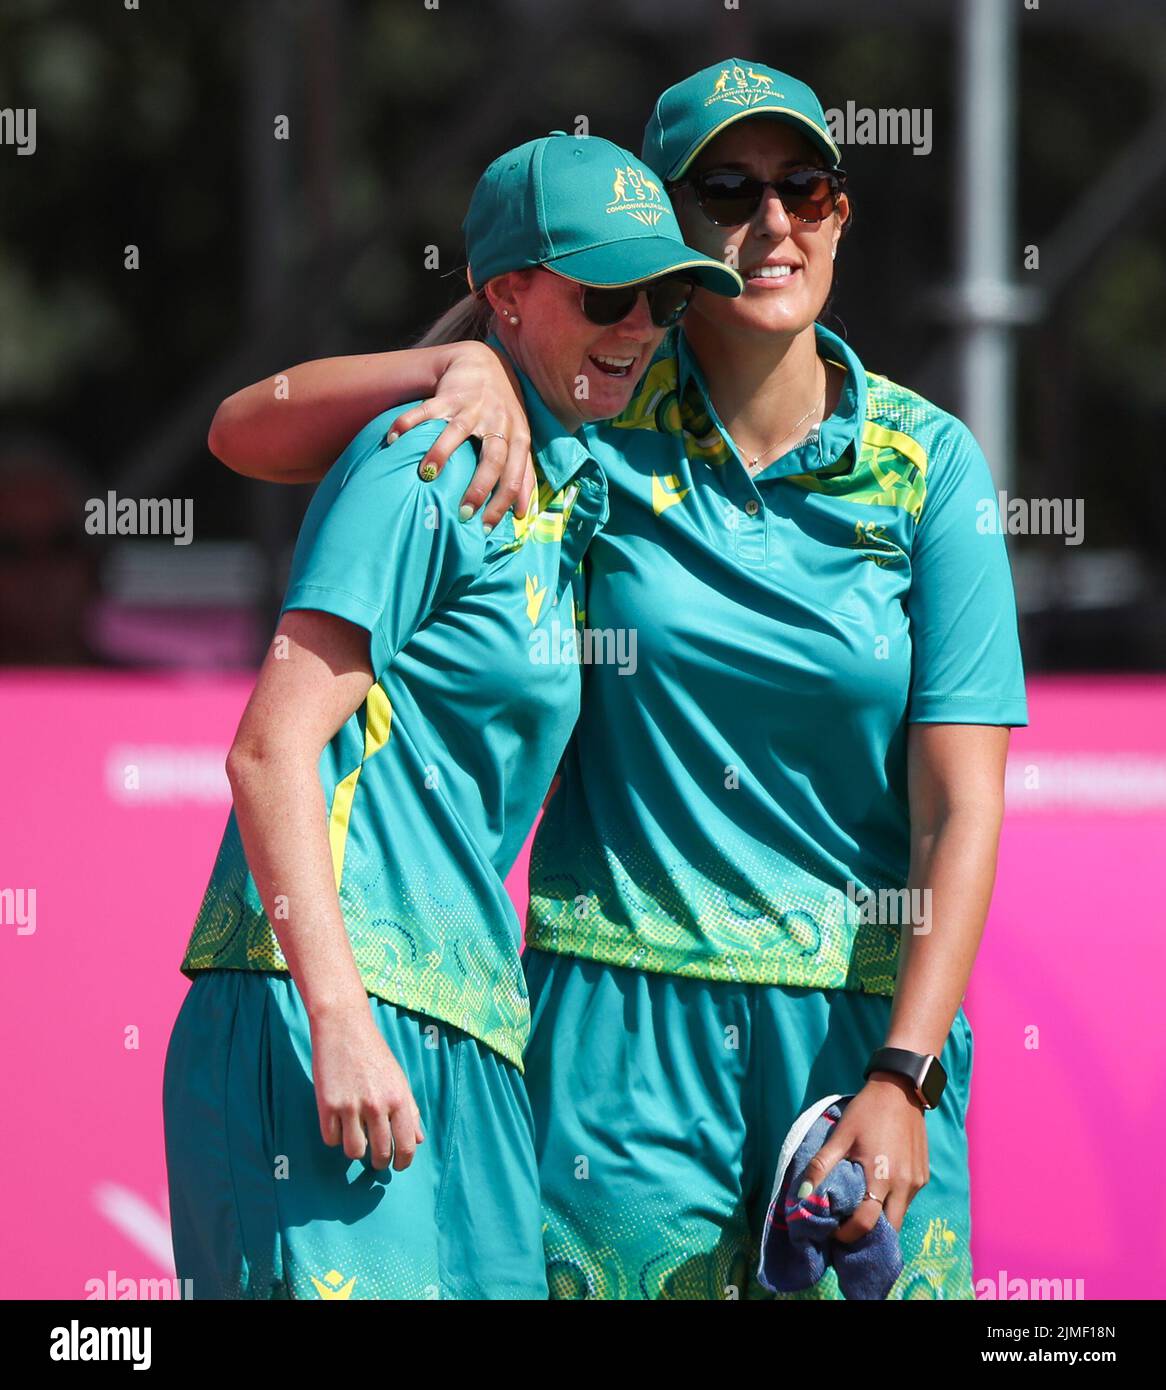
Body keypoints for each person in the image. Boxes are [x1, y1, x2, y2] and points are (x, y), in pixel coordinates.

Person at [205, 59, 1028, 1301]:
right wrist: (448, 366)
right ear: (668, 220)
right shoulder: (586, 412)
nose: (771, 221)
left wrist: (903, 1070)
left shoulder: (929, 465)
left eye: (804, 186)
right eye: (727, 189)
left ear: (840, 210)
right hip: (618, 1039)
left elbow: (956, 808)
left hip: (862, 1040)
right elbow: (243, 431)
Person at [161, 130, 741, 1300]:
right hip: (333, 1012)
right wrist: (335, 1016)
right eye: (609, 292)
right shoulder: (430, 457)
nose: (639, 328)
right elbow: (269, 751)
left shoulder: (567, 483)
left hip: (469, 1031)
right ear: (508, 293)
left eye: (665, 297)